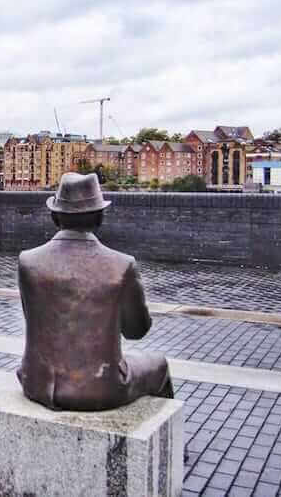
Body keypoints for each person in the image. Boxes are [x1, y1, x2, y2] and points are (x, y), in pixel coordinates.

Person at [16, 172, 173, 411]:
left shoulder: (27, 261)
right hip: (98, 389)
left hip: (36, 382)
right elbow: (136, 331)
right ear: (100, 217)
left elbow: (39, 322)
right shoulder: (122, 265)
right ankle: (167, 444)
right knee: (159, 364)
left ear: (55, 216)